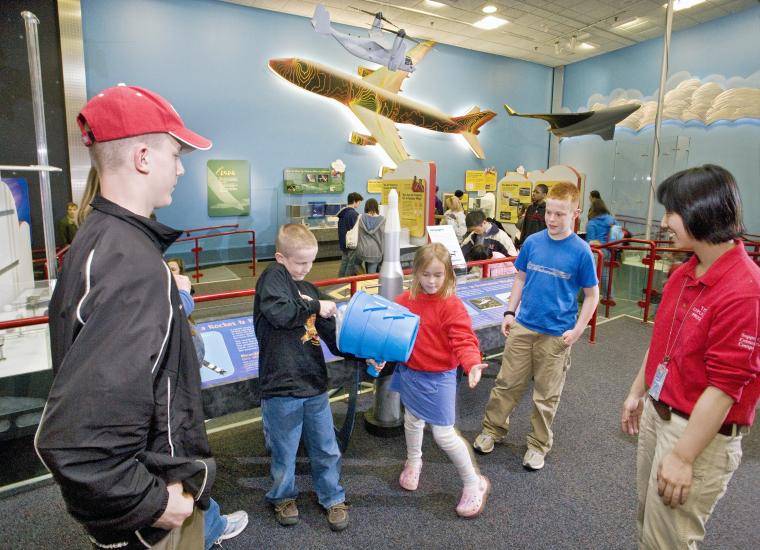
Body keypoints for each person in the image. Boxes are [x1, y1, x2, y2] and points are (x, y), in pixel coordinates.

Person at [35, 84, 219, 549]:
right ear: (142, 156)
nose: (179, 168)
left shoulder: (100, 238)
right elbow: (73, 444)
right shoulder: (133, 265)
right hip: (149, 516)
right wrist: (157, 504)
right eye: (175, 154)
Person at [620, 165, 760, 549]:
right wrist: (638, 392)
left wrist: (683, 457)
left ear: (702, 212)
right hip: (659, 413)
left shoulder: (744, 290)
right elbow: (664, 343)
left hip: (696, 435)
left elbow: (726, 386)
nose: (664, 223)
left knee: (669, 541)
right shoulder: (685, 273)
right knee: (649, 526)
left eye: (671, 212)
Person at [472, 182, 599, 471]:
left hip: (556, 335)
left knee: (545, 396)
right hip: (523, 326)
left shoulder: (581, 252)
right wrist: (508, 312)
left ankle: (538, 446)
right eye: (549, 213)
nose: (552, 220)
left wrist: (579, 329)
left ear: (575, 214)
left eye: (560, 214)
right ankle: (492, 430)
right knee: (506, 384)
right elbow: (520, 277)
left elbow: (592, 296)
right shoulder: (533, 243)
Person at [254, 223, 351, 531]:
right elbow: (282, 313)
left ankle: (333, 497)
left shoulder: (308, 289)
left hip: (313, 384)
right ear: (280, 257)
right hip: (281, 386)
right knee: (284, 451)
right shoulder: (273, 279)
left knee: (326, 447)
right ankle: (282, 497)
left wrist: (361, 349)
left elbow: (331, 335)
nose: (307, 269)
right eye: (300, 262)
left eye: (311, 262)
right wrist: (316, 305)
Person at [381, 243, 490, 518]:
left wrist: (472, 362)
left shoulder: (451, 305)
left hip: (439, 376)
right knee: (412, 420)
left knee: (444, 435)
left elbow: (464, 339)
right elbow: (390, 335)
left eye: (438, 275)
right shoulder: (403, 302)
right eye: (426, 274)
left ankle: (473, 483)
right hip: (411, 372)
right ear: (415, 272)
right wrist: (378, 355)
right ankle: (413, 462)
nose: (431, 281)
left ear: (448, 275)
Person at [586, 198, 617, 300]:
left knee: (589, 274)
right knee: (605, 274)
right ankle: (609, 296)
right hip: (609, 250)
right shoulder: (611, 219)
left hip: (597, 251)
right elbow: (618, 235)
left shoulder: (592, 223)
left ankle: (586, 297)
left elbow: (590, 241)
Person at [355, 198, 385, 274]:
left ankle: (362, 277)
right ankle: (368, 281)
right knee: (372, 274)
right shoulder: (383, 220)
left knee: (355, 263)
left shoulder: (361, 217)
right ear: (376, 207)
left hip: (362, 248)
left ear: (366, 206)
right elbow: (383, 237)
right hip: (375, 250)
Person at [337, 192, 363, 277]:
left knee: (344, 263)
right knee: (351, 265)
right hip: (351, 244)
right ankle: (346, 283)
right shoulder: (353, 214)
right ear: (355, 201)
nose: (359, 204)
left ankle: (339, 281)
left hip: (343, 243)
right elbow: (356, 230)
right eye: (359, 202)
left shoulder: (343, 212)